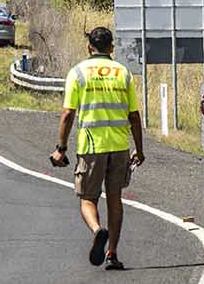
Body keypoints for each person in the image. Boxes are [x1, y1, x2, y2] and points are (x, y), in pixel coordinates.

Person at [49, 27, 145, 270]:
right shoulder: (123, 73)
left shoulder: (78, 73)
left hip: (91, 147)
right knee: (115, 199)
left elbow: (68, 113)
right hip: (120, 147)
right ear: (112, 48)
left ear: (89, 47)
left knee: (88, 198)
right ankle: (112, 253)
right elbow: (134, 116)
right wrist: (139, 149)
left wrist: (61, 147)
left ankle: (96, 229)